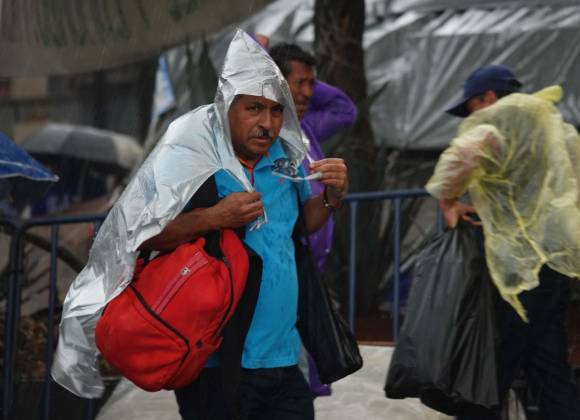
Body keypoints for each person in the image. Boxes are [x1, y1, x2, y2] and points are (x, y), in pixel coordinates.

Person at [52, 30, 348, 420]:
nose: (267, 123)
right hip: (216, 365)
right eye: (254, 109)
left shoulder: (285, 157)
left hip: (283, 360)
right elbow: (134, 234)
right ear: (227, 106)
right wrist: (214, 217)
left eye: (277, 111)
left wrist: (331, 197)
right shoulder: (194, 157)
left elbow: (297, 228)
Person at [426, 64, 580, 419]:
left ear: (489, 97)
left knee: (495, 364)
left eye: (471, 106)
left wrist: (447, 199)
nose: (471, 115)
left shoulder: (498, 123)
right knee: (547, 363)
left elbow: (462, 156)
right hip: (555, 262)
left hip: (516, 268)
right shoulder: (556, 125)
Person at [269, 43, 357, 272]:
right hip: (284, 265)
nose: (309, 93)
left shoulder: (305, 127)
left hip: (312, 268)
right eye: (301, 83)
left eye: (312, 84)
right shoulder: (265, 137)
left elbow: (345, 110)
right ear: (276, 82)